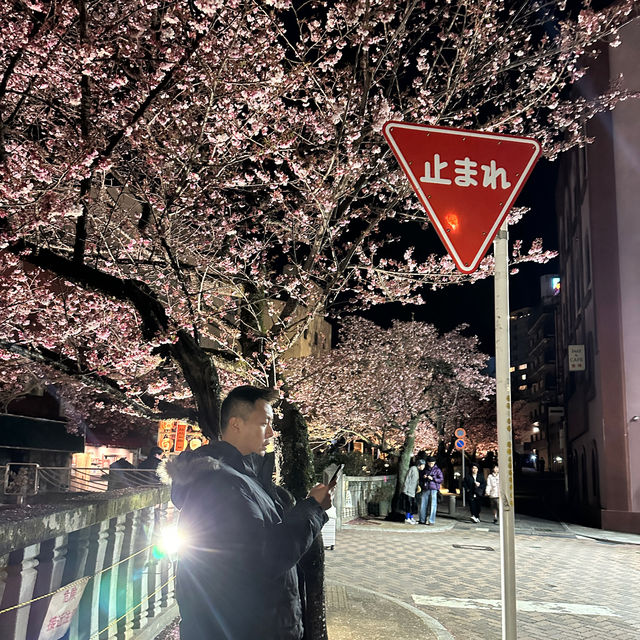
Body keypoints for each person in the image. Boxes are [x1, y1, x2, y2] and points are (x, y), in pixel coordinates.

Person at [162, 385, 332, 640]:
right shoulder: (223, 484)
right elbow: (265, 557)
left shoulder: (244, 480)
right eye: (265, 423)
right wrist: (313, 508)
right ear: (236, 424)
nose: (272, 433)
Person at [418, 456, 443, 525]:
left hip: (434, 489)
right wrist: (424, 477)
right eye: (430, 463)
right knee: (423, 505)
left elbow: (441, 479)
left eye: (432, 463)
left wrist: (433, 478)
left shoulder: (437, 470)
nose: (431, 464)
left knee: (433, 505)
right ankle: (422, 520)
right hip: (426, 488)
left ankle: (431, 520)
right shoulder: (425, 469)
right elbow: (420, 477)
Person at [401, 459, 425, 524]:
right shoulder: (413, 469)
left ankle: (411, 517)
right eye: (423, 465)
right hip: (409, 491)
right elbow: (407, 479)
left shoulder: (417, 470)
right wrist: (405, 490)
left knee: (413, 505)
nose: (423, 467)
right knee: (409, 505)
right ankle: (407, 518)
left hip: (413, 491)